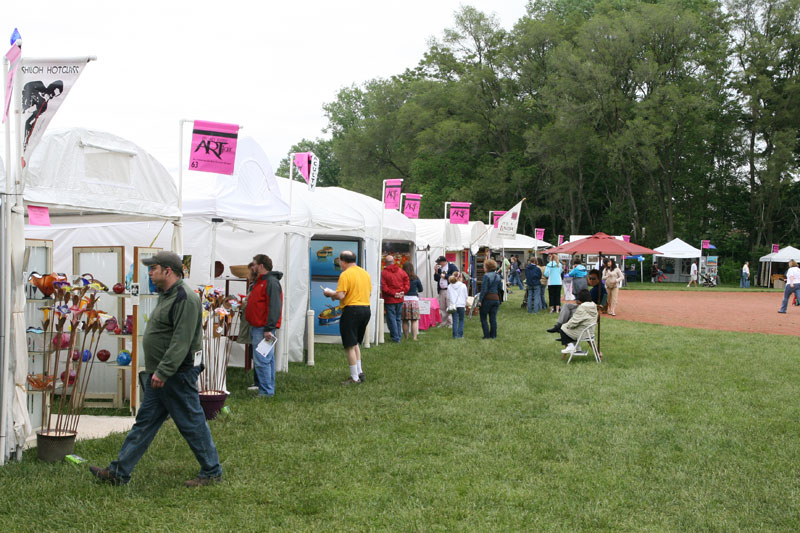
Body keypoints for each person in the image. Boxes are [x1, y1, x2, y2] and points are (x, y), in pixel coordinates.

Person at [90, 251, 222, 487]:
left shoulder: (185, 298)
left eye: (153, 269)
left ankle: (212, 471)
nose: (150, 273)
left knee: (191, 423)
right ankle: (119, 472)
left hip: (175, 374)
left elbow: (181, 341)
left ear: (168, 271)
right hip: (161, 375)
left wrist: (163, 371)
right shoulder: (167, 295)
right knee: (145, 423)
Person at [323, 251, 371, 384]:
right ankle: (359, 372)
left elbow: (340, 296)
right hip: (366, 309)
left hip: (351, 310)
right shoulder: (364, 273)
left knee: (349, 345)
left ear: (342, 261)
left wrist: (329, 293)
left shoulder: (345, 274)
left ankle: (354, 378)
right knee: (355, 342)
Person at [245, 254, 283, 397]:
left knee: (262, 360)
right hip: (259, 326)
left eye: (254, 264)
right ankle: (267, 388)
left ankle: (266, 391)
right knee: (267, 359)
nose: (252, 266)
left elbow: (274, 306)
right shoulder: (262, 281)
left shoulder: (270, 282)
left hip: (263, 328)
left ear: (261, 266)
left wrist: (269, 328)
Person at [546, 268, 606, 333]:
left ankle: (561, 327)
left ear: (599, 279)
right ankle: (561, 327)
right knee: (567, 306)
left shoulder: (597, 290)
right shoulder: (600, 288)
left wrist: (580, 302)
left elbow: (597, 305)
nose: (591, 280)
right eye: (590, 278)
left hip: (587, 311)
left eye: (593, 279)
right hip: (587, 309)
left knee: (567, 308)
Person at [235, 263, 259, 391]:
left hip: (255, 324)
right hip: (252, 323)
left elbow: (252, 303)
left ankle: (261, 384)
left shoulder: (257, 287)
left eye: (249, 273)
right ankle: (259, 382)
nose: (247, 275)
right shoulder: (253, 286)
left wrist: (242, 304)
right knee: (256, 354)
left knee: (259, 356)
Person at [551, 289, 598, 356]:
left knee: (563, 328)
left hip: (583, 332)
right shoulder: (593, 305)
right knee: (567, 328)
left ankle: (571, 346)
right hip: (590, 331)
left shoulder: (582, 307)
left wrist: (567, 325)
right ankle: (576, 347)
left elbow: (574, 321)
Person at [380, 255, 409, 343]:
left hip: (390, 299)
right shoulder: (401, 271)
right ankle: (398, 336)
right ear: (393, 261)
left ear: (385, 262)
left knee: (391, 318)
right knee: (398, 318)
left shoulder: (383, 273)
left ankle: (395, 337)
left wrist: (394, 293)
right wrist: (403, 292)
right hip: (400, 298)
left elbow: (384, 288)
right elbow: (407, 282)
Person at [479, 258, 502, 339]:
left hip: (487, 298)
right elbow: (500, 288)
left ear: (487, 267)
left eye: (484, 266)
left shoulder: (486, 276)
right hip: (496, 299)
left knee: (483, 317)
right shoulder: (498, 276)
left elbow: (484, 289)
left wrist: (480, 300)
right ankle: (493, 335)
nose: (483, 268)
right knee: (493, 318)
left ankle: (486, 335)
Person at [434, 256, 458, 327]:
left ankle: (450, 322)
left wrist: (446, 276)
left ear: (444, 261)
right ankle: (443, 322)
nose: (439, 264)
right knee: (442, 307)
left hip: (449, 289)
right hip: (441, 290)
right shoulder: (440, 268)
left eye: (440, 262)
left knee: (449, 306)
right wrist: (436, 271)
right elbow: (436, 278)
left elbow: (456, 275)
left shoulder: (451, 266)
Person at [401, 262, 423, 340]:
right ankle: (414, 337)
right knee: (414, 320)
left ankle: (406, 337)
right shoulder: (416, 278)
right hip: (414, 300)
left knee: (405, 320)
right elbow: (421, 289)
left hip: (404, 300)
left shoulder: (401, 277)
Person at [447, 272, 468, 338]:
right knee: (461, 320)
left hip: (453, 305)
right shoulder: (463, 285)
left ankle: (455, 335)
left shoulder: (449, 286)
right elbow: (466, 296)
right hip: (461, 305)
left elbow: (448, 297)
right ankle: (460, 335)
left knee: (455, 320)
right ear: (460, 277)